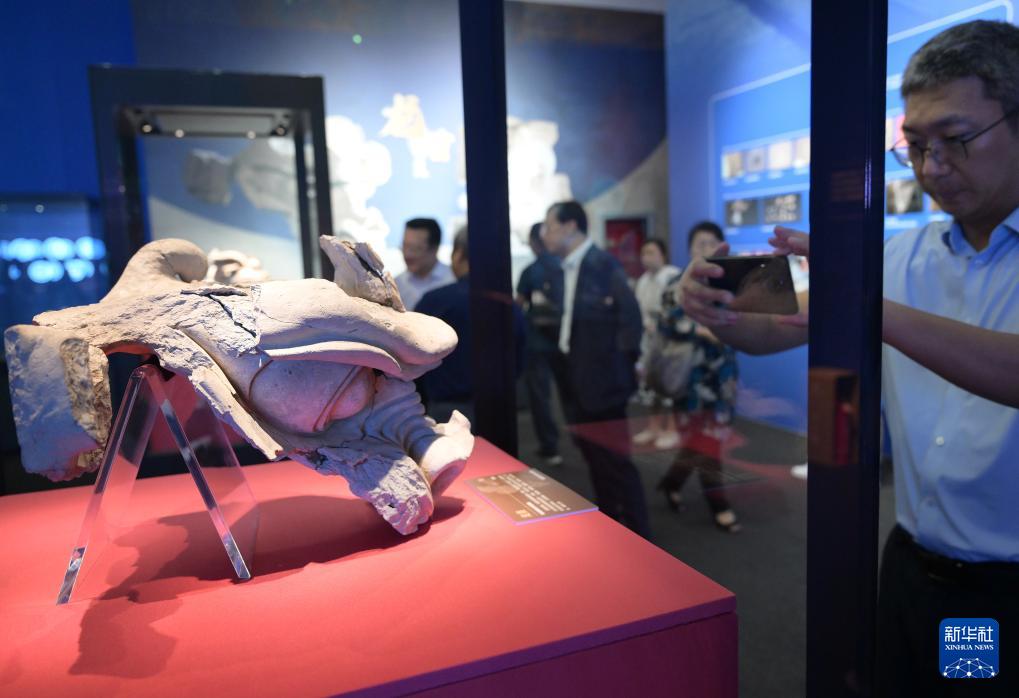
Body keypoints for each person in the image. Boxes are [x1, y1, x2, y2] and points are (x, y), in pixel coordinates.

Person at [679, 20, 1019, 695]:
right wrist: (716, 303)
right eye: (914, 145)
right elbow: (776, 327)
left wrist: (862, 299)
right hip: (909, 564)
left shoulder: (878, 273)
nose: (931, 167)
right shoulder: (901, 256)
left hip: (999, 592)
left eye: (955, 139)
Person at [541, 200, 651, 538]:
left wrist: (621, 373)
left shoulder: (603, 264)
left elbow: (631, 321)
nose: (545, 234)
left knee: (617, 462)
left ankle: (642, 536)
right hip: (575, 378)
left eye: (550, 226)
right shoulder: (562, 268)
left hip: (605, 383)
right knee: (593, 458)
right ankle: (612, 527)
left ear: (570, 226)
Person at [654, 222, 741, 533]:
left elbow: (742, 322)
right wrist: (704, 330)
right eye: (700, 243)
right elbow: (668, 322)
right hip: (690, 379)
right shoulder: (677, 284)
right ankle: (719, 505)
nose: (707, 249)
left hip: (722, 377)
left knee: (700, 442)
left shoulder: (729, 285)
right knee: (707, 444)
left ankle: (671, 482)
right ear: (690, 249)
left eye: (713, 243)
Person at [416, 226, 525, 425]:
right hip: (498, 408)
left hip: (445, 411)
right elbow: (519, 359)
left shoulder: (434, 301)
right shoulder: (508, 305)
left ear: (458, 255)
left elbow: (413, 357)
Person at [516, 222, 564, 467]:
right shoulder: (565, 267)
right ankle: (580, 440)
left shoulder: (530, 271)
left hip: (536, 342)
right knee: (570, 393)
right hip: (565, 341)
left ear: (535, 243)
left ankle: (550, 446)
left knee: (540, 396)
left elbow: (518, 305)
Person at [631, 238, 682, 449]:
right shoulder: (643, 280)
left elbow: (677, 310)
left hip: (671, 341)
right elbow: (639, 310)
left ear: (663, 255)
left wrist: (661, 324)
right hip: (649, 341)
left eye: (651, 252)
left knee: (670, 388)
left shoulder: (672, 276)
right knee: (650, 386)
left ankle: (672, 429)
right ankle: (653, 427)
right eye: (644, 253)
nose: (646, 257)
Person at [394, 217, 454, 311]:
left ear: (435, 248)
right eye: (405, 246)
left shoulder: (452, 280)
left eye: (415, 249)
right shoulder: (396, 284)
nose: (407, 255)